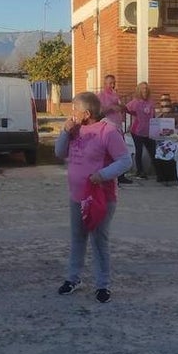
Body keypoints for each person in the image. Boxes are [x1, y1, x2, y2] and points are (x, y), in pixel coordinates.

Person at [54, 92, 132, 303]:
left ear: (86, 113)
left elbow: (125, 161)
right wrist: (64, 132)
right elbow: (60, 153)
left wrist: (102, 175)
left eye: (74, 109)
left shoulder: (108, 131)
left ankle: (102, 284)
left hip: (101, 197)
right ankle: (73, 278)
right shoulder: (75, 129)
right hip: (77, 195)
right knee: (77, 237)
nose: (71, 113)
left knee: (99, 240)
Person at [97, 74, 131, 184]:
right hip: (107, 127)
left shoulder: (115, 95)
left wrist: (121, 107)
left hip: (118, 126)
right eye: (110, 83)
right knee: (109, 152)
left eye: (113, 83)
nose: (112, 85)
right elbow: (99, 112)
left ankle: (121, 175)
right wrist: (110, 108)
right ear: (105, 84)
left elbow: (120, 107)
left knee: (121, 151)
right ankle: (107, 174)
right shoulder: (100, 96)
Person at [125, 82, 156, 179]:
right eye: (142, 88)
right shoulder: (135, 102)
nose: (145, 90)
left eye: (146, 88)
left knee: (153, 151)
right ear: (139, 90)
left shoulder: (151, 102)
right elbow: (125, 108)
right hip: (137, 130)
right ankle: (140, 171)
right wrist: (132, 115)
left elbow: (153, 116)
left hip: (149, 131)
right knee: (139, 151)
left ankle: (157, 170)